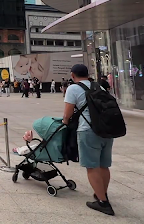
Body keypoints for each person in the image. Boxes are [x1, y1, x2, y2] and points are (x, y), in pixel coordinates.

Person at [62, 64, 115, 216]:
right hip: (107, 131)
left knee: (92, 166)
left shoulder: (73, 88)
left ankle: (103, 202)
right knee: (104, 165)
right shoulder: (99, 86)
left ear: (73, 75)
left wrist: (65, 124)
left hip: (88, 130)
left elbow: (67, 114)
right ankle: (101, 194)